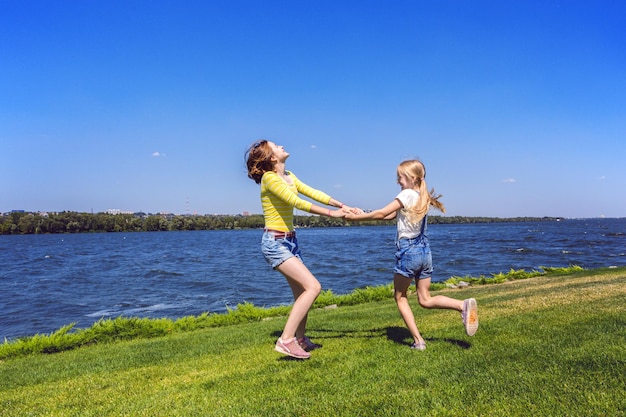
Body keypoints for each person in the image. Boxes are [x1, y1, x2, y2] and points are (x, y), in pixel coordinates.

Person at [345, 159, 478, 350]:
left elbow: (382, 214)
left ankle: (418, 341)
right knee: (424, 299)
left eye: (400, 176)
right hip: (425, 251)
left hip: (409, 252)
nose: (398, 180)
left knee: (400, 297)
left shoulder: (406, 194)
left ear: (412, 178)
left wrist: (355, 218)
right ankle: (462, 305)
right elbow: (392, 215)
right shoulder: (420, 196)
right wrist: (362, 211)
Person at [245, 139, 360, 359]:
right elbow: (295, 201)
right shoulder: (270, 179)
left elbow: (312, 192)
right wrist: (332, 215)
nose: (281, 145)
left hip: (290, 242)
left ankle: (300, 339)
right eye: (276, 146)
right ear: (272, 157)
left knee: (301, 293)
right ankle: (286, 340)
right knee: (313, 287)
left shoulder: (289, 177)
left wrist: (341, 205)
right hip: (275, 243)